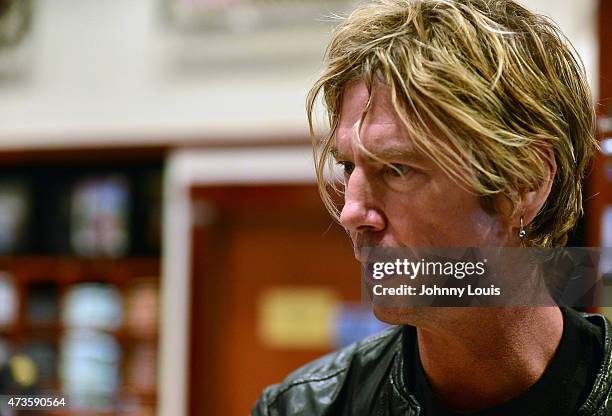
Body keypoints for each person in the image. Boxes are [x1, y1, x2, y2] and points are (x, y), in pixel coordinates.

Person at [253, 0, 611, 414]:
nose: (352, 213)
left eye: (397, 169)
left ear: (525, 183)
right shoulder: (303, 407)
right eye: (348, 166)